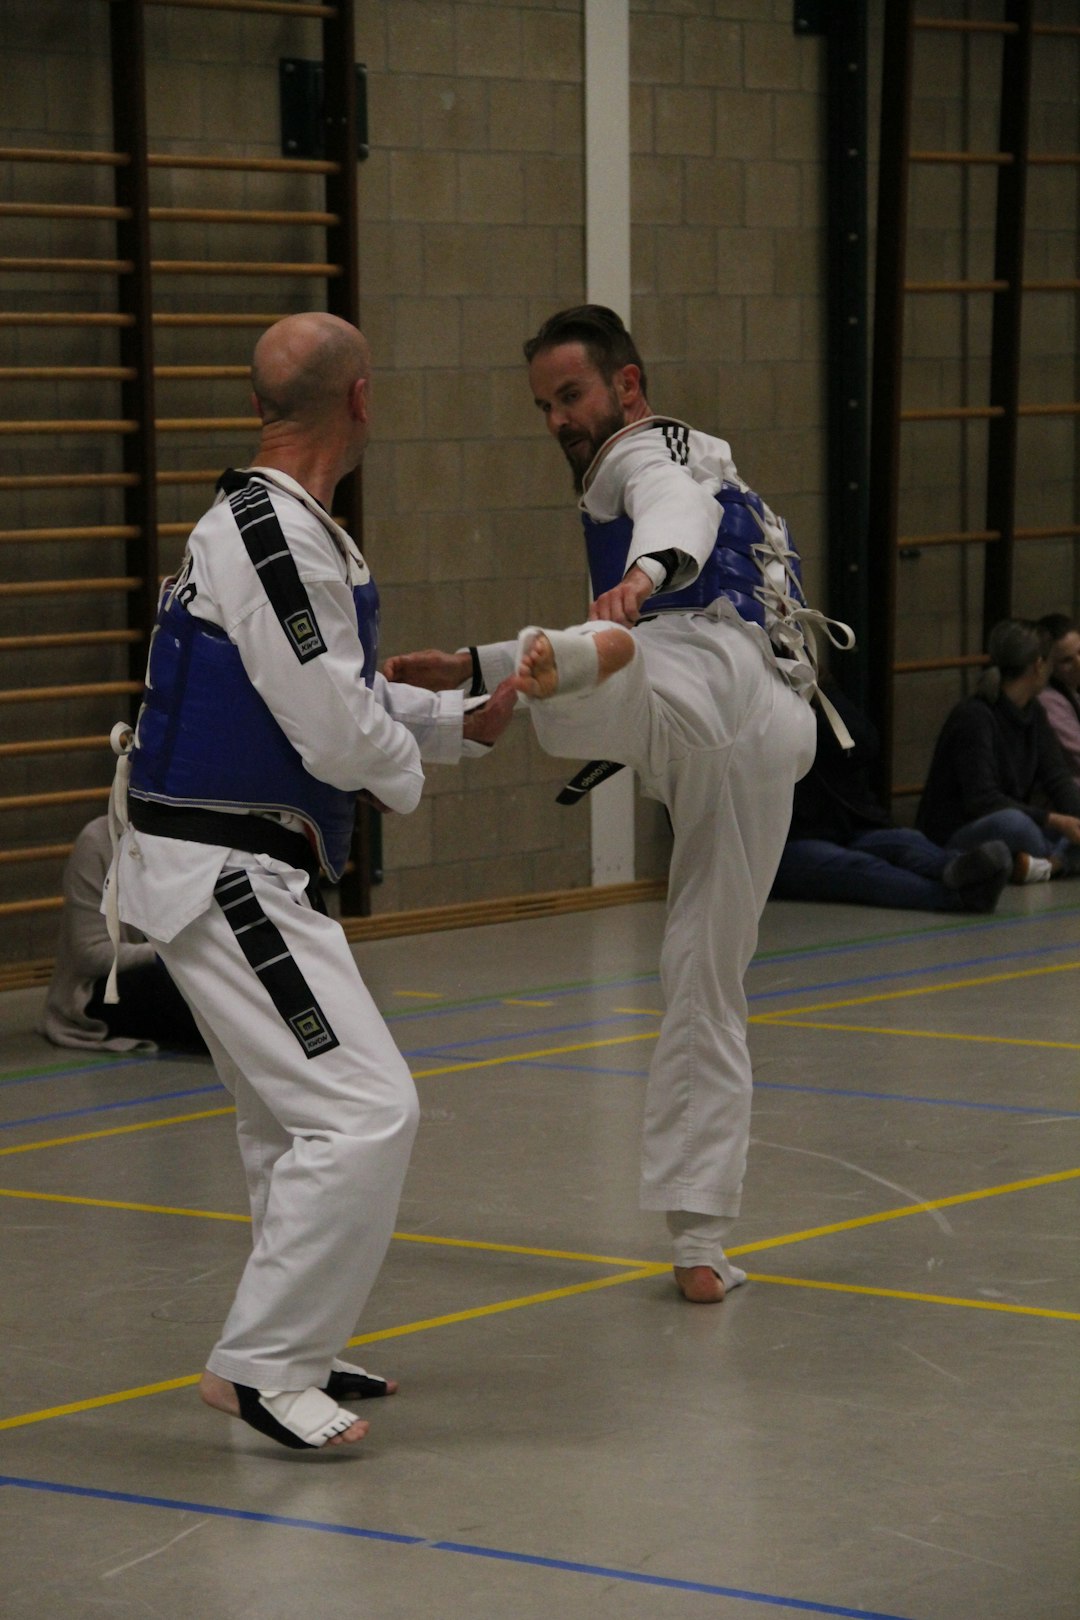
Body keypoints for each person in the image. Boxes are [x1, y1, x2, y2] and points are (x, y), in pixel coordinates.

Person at [104, 313, 515, 1451]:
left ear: (260, 406)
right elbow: (333, 729)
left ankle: (299, 1338)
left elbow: (322, 690)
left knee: (291, 1124)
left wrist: (458, 720)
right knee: (364, 1109)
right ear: (363, 400)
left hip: (233, 862)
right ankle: (261, 1368)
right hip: (224, 870)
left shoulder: (284, 528)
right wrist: (408, 768)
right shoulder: (268, 534)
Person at [386, 304, 831, 1305]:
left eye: (571, 395)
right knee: (704, 971)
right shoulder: (719, 464)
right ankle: (701, 1242)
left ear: (627, 385)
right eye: (544, 406)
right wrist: (478, 667)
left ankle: (581, 662)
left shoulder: (647, 451)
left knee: (602, 696)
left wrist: (643, 574)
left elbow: (672, 509)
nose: (558, 420)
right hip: (771, 729)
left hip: (702, 665)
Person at [771, 681, 1012, 913]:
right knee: (858, 868)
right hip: (791, 843)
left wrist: (818, 701)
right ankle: (954, 897)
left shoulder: (817, 691)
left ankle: (957, 866)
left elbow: (864, 742)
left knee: (905, 842)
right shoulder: (765, 706)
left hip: (849, 826)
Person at [916, 618, 1080, 882]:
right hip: (961, 831)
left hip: (1016, 822)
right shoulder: (974, 717)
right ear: (1038, 666)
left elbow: (1057, 777)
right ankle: (1058, 860)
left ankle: (1047, 865)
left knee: (1048, 822)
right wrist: (1055, 820)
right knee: (1015, 824)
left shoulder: (1034, 712)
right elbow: (983, 800)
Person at [40, 815, 205, 1052]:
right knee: (184, 991)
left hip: (175, 965)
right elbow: (89, 954)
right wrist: (165, 954)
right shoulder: (96, 840)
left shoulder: (190, 836)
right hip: (103, 987)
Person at [1036, 613, 1080, 785]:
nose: (1078, 664)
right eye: (1066, 660)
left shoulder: (1071, 689)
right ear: (1047, 666)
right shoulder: (1047, 700)